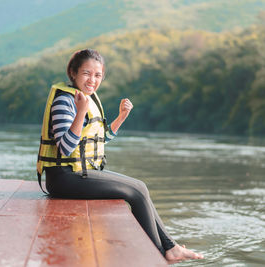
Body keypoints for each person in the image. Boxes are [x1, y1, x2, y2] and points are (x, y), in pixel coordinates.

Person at [36, 48, 203, 264]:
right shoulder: (65, 101)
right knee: (138, 189)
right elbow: (66, 147)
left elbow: (98, 140)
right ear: (73, 73)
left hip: (78, 173)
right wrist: (79, 112)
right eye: (86, 73)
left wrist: (121, 118)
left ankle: (169, 248)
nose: (92, 80)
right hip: (63, 178)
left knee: (139, 188)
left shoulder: (86, 100)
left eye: (98, 75)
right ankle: (162, 254)